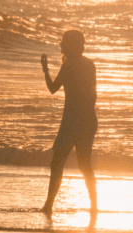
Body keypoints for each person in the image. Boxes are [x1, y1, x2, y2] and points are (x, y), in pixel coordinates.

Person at [40, 29, 98, 214]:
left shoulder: (69, 64)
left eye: (64, 42)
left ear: (71, 45)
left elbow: (52, 88)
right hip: (89, 118)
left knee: (56, 163)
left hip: (72, 119)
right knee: (85, 164)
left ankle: (48, 206)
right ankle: (94, 206)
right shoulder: (90, 64)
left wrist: (45, 69)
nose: (61, 45)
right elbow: (93, 94)